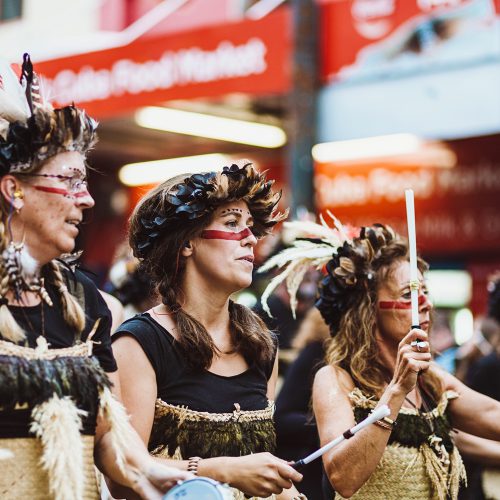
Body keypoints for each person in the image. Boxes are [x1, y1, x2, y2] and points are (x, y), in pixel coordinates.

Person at [0, 54, 189, 499]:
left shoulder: (85, 298)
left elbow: (109, 434)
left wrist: (151, 472)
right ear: (14, 190)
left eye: (84, 183)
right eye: (69, 181)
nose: (85, 200)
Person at [260, 216, 500, 499]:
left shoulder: (431, 379)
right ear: (369, 306)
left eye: (424, 292)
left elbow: (492, 415)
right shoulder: (335, 379)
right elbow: (344, 479)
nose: (425, 305)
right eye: (409, 294)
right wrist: (396, 391)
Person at [112, 163, 304, 499]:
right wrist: (221, 471)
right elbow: (123, 474)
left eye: (250, 227)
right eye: (232, 223)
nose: (249, 237)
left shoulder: (261, 345)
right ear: (187, 243)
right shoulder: (138, 343)